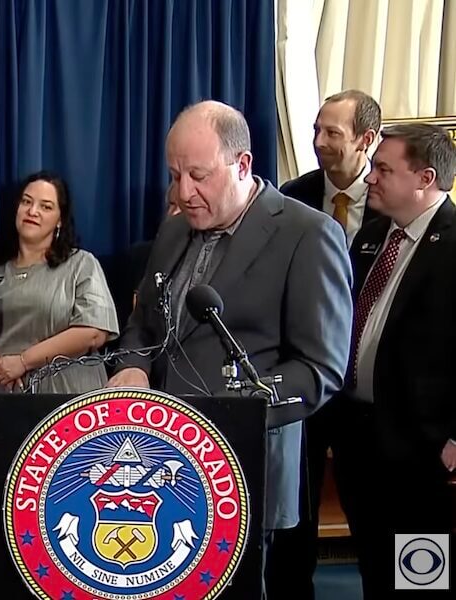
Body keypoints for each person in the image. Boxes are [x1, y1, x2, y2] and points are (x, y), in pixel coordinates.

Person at [106, 101, 353, 591]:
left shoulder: (308, 235)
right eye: (175, 175)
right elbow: (143, 323)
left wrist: (225, 417)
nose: (183, 192)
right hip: (158, 464)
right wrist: (131, 366)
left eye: (198, 175)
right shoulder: (175, 228)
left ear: (242, 165)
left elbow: (320, 369)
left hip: (241, 470)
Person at [0, 171, 119, 580]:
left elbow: (93, 330)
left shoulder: (81, 264)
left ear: (60, 218)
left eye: (45, 205)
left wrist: (24, 361)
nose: (33, 211)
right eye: (26, 201)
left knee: (62, 509)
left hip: (66, 399)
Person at [267, 89, 382, 599]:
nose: (318, 142)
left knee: (384, 529)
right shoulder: (292, 195)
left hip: (371, 397)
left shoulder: (395, 203)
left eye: (332, 133)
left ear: (367, 140)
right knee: (294, 519)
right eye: (315, 129)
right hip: (306, 383)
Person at [333, 123, 456, 598]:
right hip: (360, 436)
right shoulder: (372, 235)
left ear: (424, 178)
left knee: (421, 575)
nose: (370, 179)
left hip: (422, 451)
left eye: (384, 169)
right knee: (375, 567)